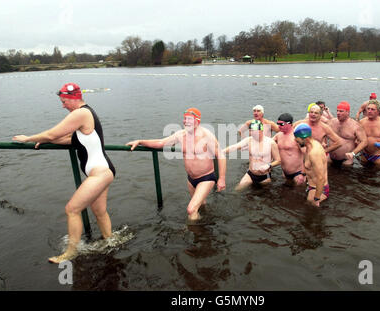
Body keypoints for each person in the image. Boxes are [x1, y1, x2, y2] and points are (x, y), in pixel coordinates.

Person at [12, 83, 116, 263]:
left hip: (100, 172)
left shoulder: (81, 113)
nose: (63, 105)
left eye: (64, 101)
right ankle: (111, 242)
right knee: (99, 211)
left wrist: (28, 138)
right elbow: (71, 139)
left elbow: (52, 134)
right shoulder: (86, 113)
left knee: (72, 209)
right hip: (103, 170)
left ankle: (71, 252)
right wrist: (44, 142)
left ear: (73, 98)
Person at [126, 108, 226, 222]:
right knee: (201, 206)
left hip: (206, 178)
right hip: (191, 179)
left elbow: (221, 155)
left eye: (190, 119)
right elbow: (161, 143)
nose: (186, 122)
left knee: (191, 209)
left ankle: (195, 234)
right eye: (185, 119)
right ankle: (206, 223)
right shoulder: (180, 135)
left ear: (197, 121)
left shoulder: (206, 136)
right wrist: (140, 141)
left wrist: (221, 178)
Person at [223, 120, 281, 191]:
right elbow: (234, 147)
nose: (251, 133)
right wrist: (222, 151)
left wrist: (269, 165)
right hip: (250, 174)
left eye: (253, 131)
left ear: (260, 131)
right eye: (250, 131)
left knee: (264, 196)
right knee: (237, 191)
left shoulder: (271, 143)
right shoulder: (249, 140)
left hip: (264, 176)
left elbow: (278, 160)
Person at [293, 123, 329, 207]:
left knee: (311, 207)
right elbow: (308, 164)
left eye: (296, 138)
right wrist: (303, 174)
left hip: (319, 189)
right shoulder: (309, 146)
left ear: (305, 138)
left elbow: (321, 178)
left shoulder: (314, 153)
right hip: (311, 185)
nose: (295, 140)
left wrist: (316, 198)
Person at [328, 101, 368, 166]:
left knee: (346, 175)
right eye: (337, 111)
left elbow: (364, 141)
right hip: (330, 158)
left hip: (346, 160)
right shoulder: (332, 122)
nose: (338, 113)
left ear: (347, 112)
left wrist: (353, 153)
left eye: (341, 111)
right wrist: (323, 142)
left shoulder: (355, 125)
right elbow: (323, 132)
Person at [273, 113, 305, 185]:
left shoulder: (297, 136)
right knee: (285, 193)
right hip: (285, 173)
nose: (278, 126)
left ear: (289, 124)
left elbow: (307, 155)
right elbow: (268, 144)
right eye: (278, 124)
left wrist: (303, 173)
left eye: (281, 124)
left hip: (298, 173)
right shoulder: (278, 135)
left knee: (297, 193)